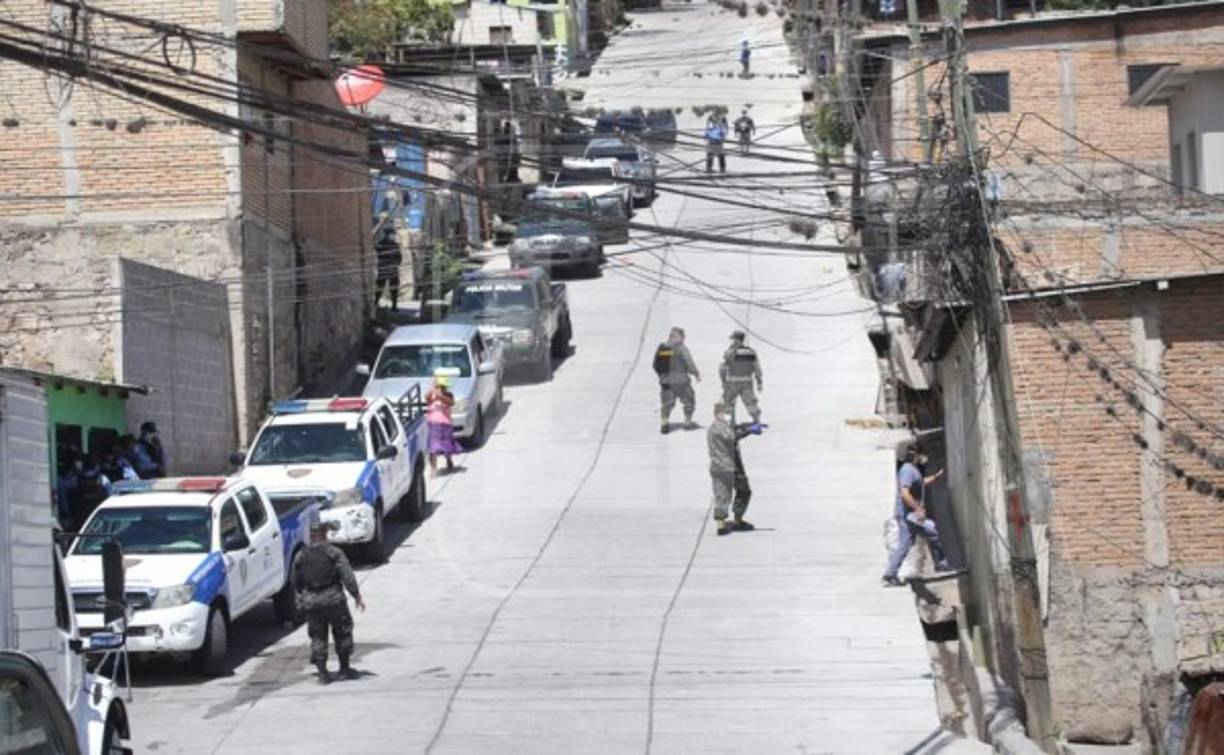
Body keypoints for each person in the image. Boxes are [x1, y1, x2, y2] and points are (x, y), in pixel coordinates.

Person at [293, 520, 366, 684]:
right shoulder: (334, 552)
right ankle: (344, 669)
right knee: (342, 630)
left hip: (311, 601)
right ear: (324, 534)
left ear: (311, 536)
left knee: (318, 635)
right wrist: (356, 596)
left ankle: (323, 674)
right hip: (333, 598)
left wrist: (300, 601)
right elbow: (347, 575)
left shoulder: (301, 555)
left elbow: (295, 581)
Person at [882, 444, 951, 586]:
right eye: (921, 455)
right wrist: (918, 509)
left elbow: (920, 483)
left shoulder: (912, 470)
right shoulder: (907, 470)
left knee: (930, 532)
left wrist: (935, 477)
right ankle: (890, 573)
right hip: (909, 515)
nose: (923, 458)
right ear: (916, 455)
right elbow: (905, 493)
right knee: (908, 541)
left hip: (911, 515)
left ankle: (940, 564)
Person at [707, 402, 765, 536]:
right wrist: (749, 430)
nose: (728, 416)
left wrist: (749, 426)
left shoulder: (722, 426)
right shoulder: (718, 427)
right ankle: (722, 525)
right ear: (717, 414)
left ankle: (736, 520)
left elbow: (734, 429)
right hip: (725, 467)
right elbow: (731, 436)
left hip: (727, 466)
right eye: (726, 413)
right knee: (724, 494)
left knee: (742, 491)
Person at [652, 326, 701, 435]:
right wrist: (696, 373)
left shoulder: (662, 348)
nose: (684, 339)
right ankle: (687, 422)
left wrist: (663, 376)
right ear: (677, 337)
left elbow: (655, 365)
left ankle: (664, 424)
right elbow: (688, 362)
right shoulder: (681, 348)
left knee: (667, 403)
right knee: (689, 400)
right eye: (682, 337)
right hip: (681, 381)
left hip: (666, 382)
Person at [719, 330, 763, 423]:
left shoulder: (729, 352)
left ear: (737, 340)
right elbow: (757, 368)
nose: (732, 341)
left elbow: (722, 369)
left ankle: (729, 422)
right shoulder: (750, 352)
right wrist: (759, 382)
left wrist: (723, 382)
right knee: (751, 403)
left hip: (732, 382)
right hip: (747, 382)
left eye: (733, 339)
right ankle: (756, 421)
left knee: (728, 404)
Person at [425, 371, 463, 476]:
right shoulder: (432, 395)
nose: (441, 389)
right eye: (439, 386)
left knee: (447, 445)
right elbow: (427, 398)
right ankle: (433, 468)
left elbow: (451, 402)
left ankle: (449, 460)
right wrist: (432, 389)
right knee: (433, 447)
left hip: (446, 424)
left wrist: (440, 396)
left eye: (443, 387)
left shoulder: (449, 395)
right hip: (434, 424)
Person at [374, 229, 402, 311]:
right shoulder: (380, 244)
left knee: (394, 287)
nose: (393, 236)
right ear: (387, 234)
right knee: (380, 286)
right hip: (383, 268)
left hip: (393, 269)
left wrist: (396, 262)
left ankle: (394, 306)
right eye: (392, 234)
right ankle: (375, 303)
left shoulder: (395, 245)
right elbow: (378, 255)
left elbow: (399, 256)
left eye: (393, 234)